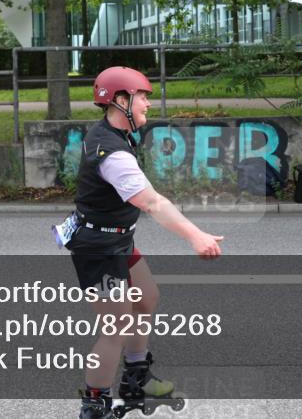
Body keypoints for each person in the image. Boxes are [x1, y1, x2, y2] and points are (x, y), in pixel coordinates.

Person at [64, 66, 223, 419]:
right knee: (114, 330)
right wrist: (195, 235)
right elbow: (152, 203)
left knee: (146, 296)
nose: (148, 104)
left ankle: (136, 378)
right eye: (143, 97)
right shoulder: (114, 153)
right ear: (121, 101)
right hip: (99, 247)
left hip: (117, 239)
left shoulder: (113, 134)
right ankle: (95, 404)